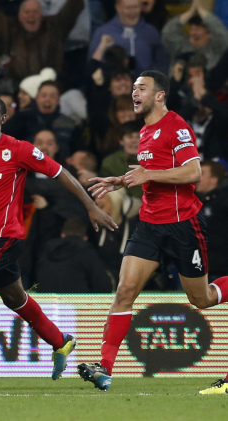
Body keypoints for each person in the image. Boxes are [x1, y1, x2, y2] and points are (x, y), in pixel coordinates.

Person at [0, 95, 117, 386]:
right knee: (15, 298)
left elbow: (61, 173)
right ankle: (60, 340)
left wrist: (90, 206)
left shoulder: (18, 149)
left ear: (3, 118)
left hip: (5, 237)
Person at [78, 70, 228, 393]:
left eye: (141, 88)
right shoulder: (145, 132)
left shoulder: (176, 126)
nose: (135, 93)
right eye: (133, 88)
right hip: (149, 225)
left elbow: (193, 172)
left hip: (182, 225)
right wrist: (121, 180)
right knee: (125, 290)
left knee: (201, 299)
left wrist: (149, 175)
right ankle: (104, 368)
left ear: (159, 95)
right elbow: (149, 175)